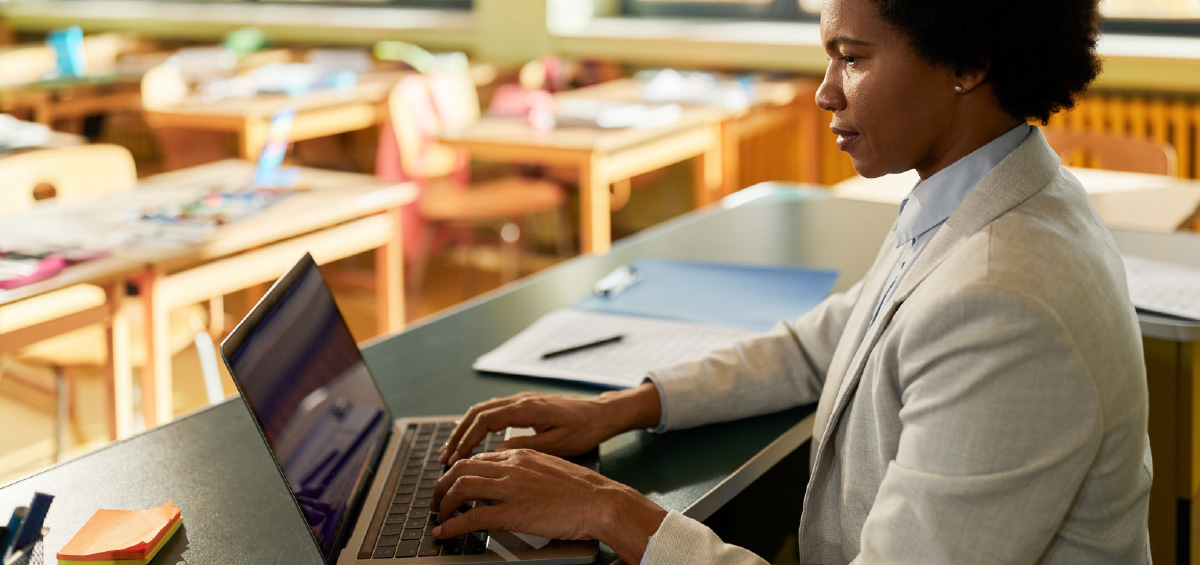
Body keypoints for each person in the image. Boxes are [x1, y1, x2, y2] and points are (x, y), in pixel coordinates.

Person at [429, 0, 1154, 561]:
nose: (825, 93)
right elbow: (827, 341)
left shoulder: (1004, 297)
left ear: (966, 62)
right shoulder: (988, 189)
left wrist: (609, 509)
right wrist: (623, 407)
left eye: (853, 58)